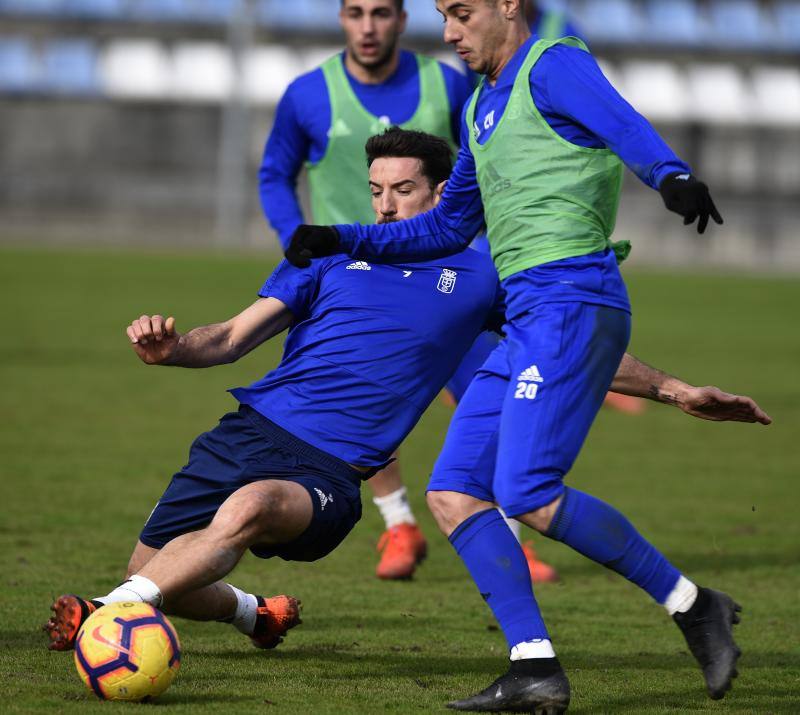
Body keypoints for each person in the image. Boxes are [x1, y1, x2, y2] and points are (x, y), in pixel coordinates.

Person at [43, 130, 768, 673]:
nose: (386, 204)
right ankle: (251, 612)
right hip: (243, 432)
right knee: (161, 565)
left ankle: (105, 616)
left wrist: (674, 389)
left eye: (404, 190)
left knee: (248, 511)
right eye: (377, 188)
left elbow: (566, 343)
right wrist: (174, 348)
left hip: (324, 472)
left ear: (445, 193)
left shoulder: (483, 274)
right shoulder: (332, 252)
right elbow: (231, 337)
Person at [284, 1, 747, 709]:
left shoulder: (552, 64)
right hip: (529, 316)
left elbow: (622, 122)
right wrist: (346, 237)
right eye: (443, 16)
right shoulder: (480, 111)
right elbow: (443, 226)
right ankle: (534, 666)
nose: (449, 32)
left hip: (572, 297)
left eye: (462, 13)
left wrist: (671, 175)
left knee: (528, 490)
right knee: (455, 491)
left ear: (509, 5)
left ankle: (694, 604)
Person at [259, 0, 555, 581]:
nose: (367, 27)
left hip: (447, 276)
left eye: (381, 13)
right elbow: (275, 172)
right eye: (354, 13)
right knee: (359, 403)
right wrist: (295, 238)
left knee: (488, 397)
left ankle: (510, 535)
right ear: (341, 19)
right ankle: (398, 525)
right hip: (355, 283)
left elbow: (484, 157)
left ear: (401, 19)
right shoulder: (307, 94)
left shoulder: (445, 83)